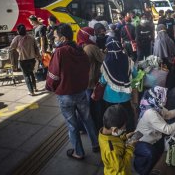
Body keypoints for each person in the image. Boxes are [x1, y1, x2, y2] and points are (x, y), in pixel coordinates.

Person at [46, 23, 99, 160]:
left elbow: (53, 75)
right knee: (87, 119)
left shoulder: (60, 52)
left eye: (56, 36)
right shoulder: (80, 49)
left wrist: (51, 87)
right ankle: (96, 144)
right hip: (81, 92)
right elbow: (87, 68)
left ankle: (79, 152)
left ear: (63, 38)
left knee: (72, 125)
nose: (54, 38)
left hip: (66, 95)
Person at [134, 86, 175, 175]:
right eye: (164, 97)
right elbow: (168, 130)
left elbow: (168, 114)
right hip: (142, 142)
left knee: (158, 155)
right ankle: (143, 171)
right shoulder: (150, 113)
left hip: (153, 139)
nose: (166, 98)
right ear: (157, 98)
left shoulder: (156, 106)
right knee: (150, 155)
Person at [98, 37, 137, 131]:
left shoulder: (106, 63)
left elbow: (103, 81)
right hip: (125, 96)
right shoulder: (128, 60)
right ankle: (129, 133)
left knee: (112, 119)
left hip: (109, 97)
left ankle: (115, 135)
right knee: (127, 116)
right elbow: (134, 74)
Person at [77, 27, 105, 131]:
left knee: (86, 106)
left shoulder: (81, 46)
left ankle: (82, 127)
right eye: (92, 34)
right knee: (94, 106)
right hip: (93, 81)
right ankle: (96, 127)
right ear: (86, 35)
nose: (94, 36)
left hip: (85, 80)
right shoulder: (91, 47)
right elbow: (105, 59)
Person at [99, 105, 138, 175]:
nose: (124, 129)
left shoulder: (104, 133)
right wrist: (130, 148)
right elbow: (120, 166)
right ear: (114, 129)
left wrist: (125, 137)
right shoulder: (111, 151)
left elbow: (115, 140)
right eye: (123, 128)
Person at [10, 24, 40, 96]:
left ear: (18, 31)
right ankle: (34, 88)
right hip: (32, 59)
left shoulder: (17, 38)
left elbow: (12, 47)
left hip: (23, 59)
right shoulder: (31, 38)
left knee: (26, 75)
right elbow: (36, 48)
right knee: (31, 73)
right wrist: (38, 56)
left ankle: (31, 91)